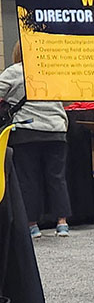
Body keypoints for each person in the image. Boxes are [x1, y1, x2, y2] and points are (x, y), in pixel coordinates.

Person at [0, 41, 71, 238]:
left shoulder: (15, 71)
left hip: (27, 131)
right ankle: (62, 223)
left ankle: (32, 226)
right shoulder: (51, 71)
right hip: (57, 130)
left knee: (28, 179)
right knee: (57, 178)